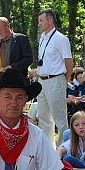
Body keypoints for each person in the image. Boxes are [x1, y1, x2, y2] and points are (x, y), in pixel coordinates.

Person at [34, 9, 73, 147]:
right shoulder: (43, 38)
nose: (39, 23)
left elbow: (68, 61)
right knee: (44, 117)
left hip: (55, 79)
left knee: (59, 118)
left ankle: (64, 148)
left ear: (50, 21)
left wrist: (66, 79)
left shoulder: (60, 39)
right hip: (42, 81)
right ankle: (48, 148)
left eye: (41, 20)